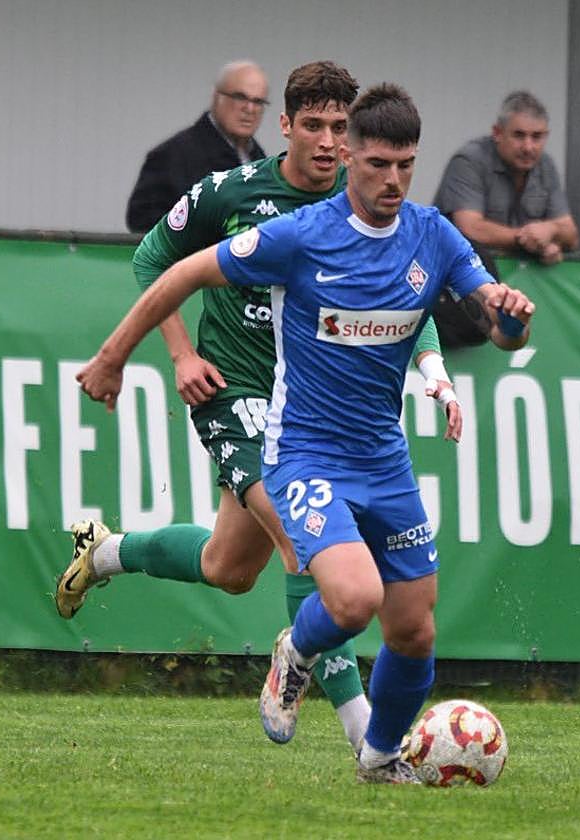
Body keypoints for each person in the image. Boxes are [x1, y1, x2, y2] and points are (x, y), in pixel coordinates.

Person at [74, 83, 535, 783]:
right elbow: (178, 271)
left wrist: (511, 315)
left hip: (384, 459)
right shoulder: (298, 234)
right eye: (378, 163)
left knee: (412, 628)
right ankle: (297, 656)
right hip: (302, 451)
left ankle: (379, 757)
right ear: (350, 156)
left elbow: (499, 332)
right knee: (353, 598)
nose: (392, 179)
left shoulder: (434, 234)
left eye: (405, 164)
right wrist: (117, 356)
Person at [433, 90, 579, 265]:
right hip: (450, 272)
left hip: (508, 281)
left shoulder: (545, 165)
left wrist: (551, 231)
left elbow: (572, 235)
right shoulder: (469, 160)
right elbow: (470, 229)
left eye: (537, 137)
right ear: (497, 133)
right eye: (519, 135)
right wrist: (531, 241)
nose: (528, 147)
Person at [124, 61, 270, 234]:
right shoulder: (172, 156)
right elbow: (143, 222)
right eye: (240, 97)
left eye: (258, 101)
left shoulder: (259, 159)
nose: (250, 108)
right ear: (216, 97)